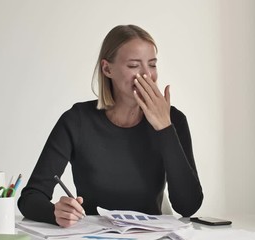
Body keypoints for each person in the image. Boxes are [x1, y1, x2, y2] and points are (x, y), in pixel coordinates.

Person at [18, 24, 203, 228]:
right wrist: (55, 212)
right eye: (134, 66)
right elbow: (30, 197)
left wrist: (165, 128)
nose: (147, 75)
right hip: (91, 235)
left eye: (152, 64)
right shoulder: (77, 120)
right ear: (107, 68)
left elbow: (188, 206)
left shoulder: (174, 120)